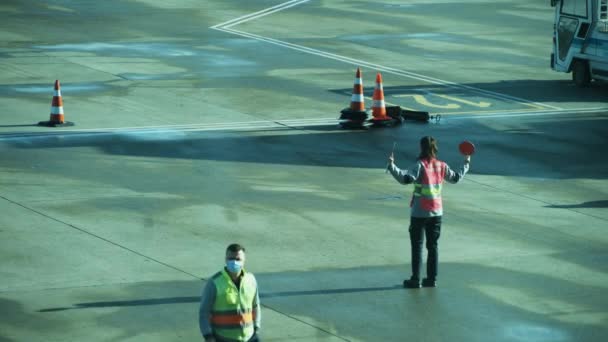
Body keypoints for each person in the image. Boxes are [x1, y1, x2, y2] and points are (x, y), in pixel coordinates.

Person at [387, 136, 470, 288]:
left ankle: (415, 279)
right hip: (437, 212)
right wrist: (466, 162)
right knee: (433, 246)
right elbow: (456, 178)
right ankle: (431, 279)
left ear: (421, 148)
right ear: (435, 149)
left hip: (419, 213)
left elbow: (405, 179)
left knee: (417, 246)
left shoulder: (420, 165)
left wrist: (392, 166)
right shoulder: (442, 166)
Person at [199, 243, 261, 341]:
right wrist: (208, 336)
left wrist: (256, 327)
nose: (234, 262)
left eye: (238, 259)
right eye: (230, 259)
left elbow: (255, 305)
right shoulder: (214, 283)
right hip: (223, 338)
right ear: (225, 259)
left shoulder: (251, 280)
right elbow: (204, 312)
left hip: (250, 337)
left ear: (244, 261)